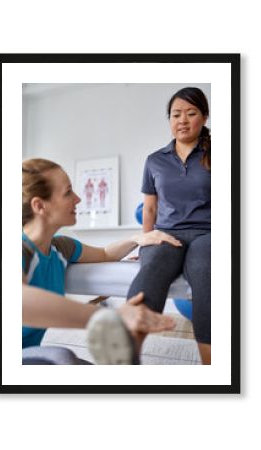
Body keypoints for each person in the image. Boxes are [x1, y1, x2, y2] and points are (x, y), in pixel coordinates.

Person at [22, 158, 179, 365]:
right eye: (68, 192)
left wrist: (137, 239)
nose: (78, 199)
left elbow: (105, 254)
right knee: (61, 357)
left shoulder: (60, 248)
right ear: (40, 205)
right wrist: (109, 318)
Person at [127, 87, 211, 364]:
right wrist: (145, 239)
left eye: (191, 113)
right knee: (151, 268)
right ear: (169, 120)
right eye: (176, 114)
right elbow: (149, 208)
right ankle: (124, 352)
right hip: (167, 233)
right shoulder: (155, 160)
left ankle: (213, 366)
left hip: (208, 234)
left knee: (205, 271)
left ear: (204, 117)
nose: (183, 120)